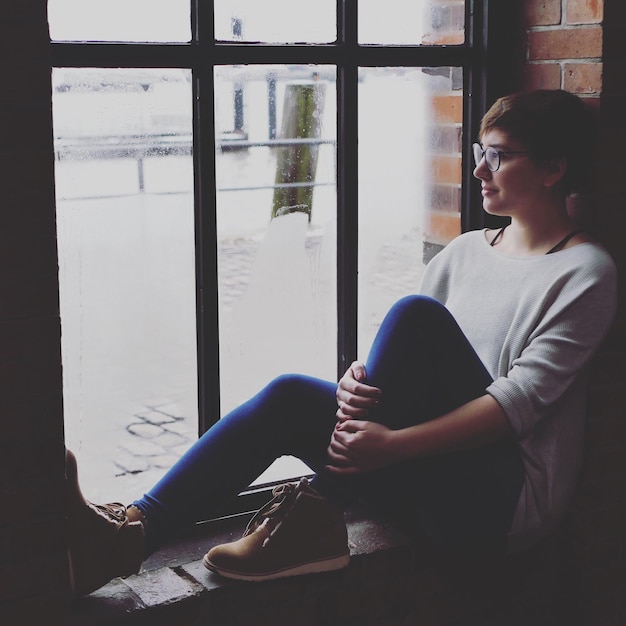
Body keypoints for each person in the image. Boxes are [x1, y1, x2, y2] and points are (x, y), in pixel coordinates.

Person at [66, 89, 617, 596]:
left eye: (498, 156)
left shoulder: (585, 271)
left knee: (414, 315)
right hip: (425, 476)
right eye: (479, 150)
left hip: (496, 506)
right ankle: (132, 534)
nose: (478, 169)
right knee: (288, 395)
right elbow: (417, 371)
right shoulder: (464, 252)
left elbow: (517, 405)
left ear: (553, 169)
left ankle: (318, 511)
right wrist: (360, 384)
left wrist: (392, 444)